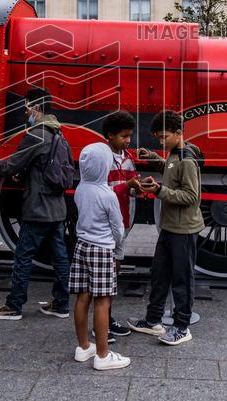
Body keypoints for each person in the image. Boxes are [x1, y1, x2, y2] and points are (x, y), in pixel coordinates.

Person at [0, 87, 71, 321]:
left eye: (28, 107)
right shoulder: (58, 133)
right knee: (60, 257)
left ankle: (13, 306)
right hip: (57, 209)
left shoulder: (36, 135)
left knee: (23, 257)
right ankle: (61, 304)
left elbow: (8, 167)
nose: (25, 112)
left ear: (37, 107)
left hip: (37, 210)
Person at [128, 110, 203, 346]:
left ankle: (182, 327)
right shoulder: (174, 154)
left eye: (164, 137)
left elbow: (191, 196)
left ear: (179, 133)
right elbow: (171, 172)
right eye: (158, 138)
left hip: (183, 230)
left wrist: (159, 191)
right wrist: (153, 158)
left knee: (182, 279)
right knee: (159, 275)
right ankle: (153, 321)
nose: (161, 141)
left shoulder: (187, 159)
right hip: (170, 227)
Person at [71, 142, 130, 370]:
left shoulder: (81, 189)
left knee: (82, 297)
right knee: (103, 301)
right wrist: (117, 248)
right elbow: (119, 228)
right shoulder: (108, 195)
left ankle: (84, 347)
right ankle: (103, 355)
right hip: (102, 250)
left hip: (82, 246)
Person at [102, 111, 140, 338]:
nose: (127, 140)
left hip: (121, 221)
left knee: (114, 272)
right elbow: (101, 190)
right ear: (110, 135)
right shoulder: (102, 158)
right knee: (105, 275)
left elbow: (129, 181)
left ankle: (107, 318)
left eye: (129, 136)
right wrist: (128, 186)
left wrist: (138, 185)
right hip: (107, 222)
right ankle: (102, 323)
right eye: (124, 136)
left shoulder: (126, 156)